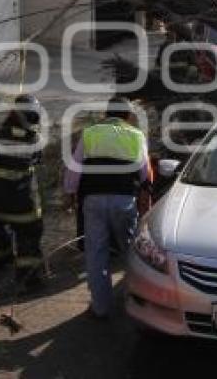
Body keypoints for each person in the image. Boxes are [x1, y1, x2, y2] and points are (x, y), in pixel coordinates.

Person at [63, 96, 150, 319]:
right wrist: (146, 197)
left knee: (96, 254)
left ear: (106, 114)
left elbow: (74, 169)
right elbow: (144, 173)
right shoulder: (136, 135)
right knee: (131, 252)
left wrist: (70, 193)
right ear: (128, 116)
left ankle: (100, 307)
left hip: (93, 201)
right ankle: (136, 299)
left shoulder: (90, 133)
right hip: (124, 201)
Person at [0, 94, 45, 293]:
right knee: (29, 234)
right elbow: (36, 160)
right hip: (23, 201)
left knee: (0, 226)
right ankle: (28, 276)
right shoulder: (36, 140)